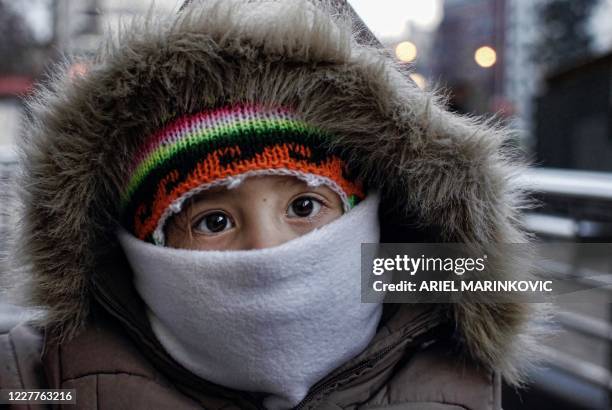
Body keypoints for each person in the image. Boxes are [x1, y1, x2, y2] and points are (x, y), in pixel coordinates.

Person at [0, 1, 547, 409]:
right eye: (212, 220)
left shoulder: (460, 369)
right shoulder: (31, 381)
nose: (267, 250)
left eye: (305, 207)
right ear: (144, 244)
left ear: (375, 215)